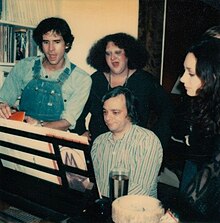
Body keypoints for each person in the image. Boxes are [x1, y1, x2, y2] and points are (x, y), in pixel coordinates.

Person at [72, 32, 173, 148]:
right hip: (100, 148)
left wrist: (156, 139)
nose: (112, 58)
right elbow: (77, 111)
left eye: (118, 52)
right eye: (108, 54)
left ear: (128, 54)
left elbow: (167, 110)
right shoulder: (96, 80)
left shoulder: (145, 81)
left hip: (135, 149)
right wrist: (80, 132)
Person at [0, 17, 92, 131]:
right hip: (20, 132)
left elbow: (67, 122)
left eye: (57, 42)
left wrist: (38, 126)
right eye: (46, 42)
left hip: (53, 138)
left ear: (67, 44)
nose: (51, 49)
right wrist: (2, 106)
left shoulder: (82, 79)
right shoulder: (24, 66)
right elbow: (3, 99)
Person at [173, 38, 220, 221]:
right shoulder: (206, 105)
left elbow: (212, 171)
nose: (182, 79)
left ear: (212, 76)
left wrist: (176, 213)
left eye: (190, 73)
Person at [91, 86, 163, 198]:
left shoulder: (147, 141)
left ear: (130, 112)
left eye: (115, 112)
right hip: (103, 208)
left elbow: (141, 189)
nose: (107, 118)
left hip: (136, 211)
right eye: (105, 112)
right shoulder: (99, 142)